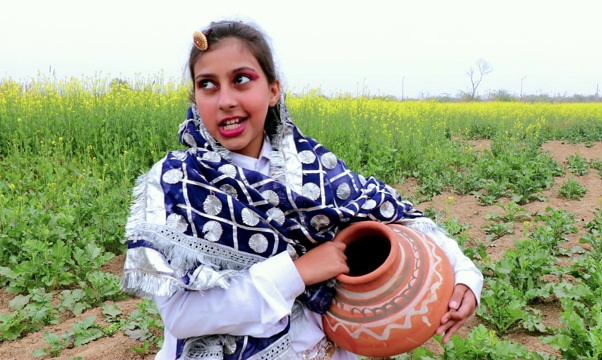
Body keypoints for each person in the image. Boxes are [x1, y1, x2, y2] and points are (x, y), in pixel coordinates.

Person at [121, 19, 483, 360]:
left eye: (242, 79)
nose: (225, 99)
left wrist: (465, 276)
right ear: (196, 97)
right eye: (208, 84)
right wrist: (297, 273)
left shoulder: (312, 164)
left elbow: (398, 218)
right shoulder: (178, 182)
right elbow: (183, 316)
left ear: (273, 89)